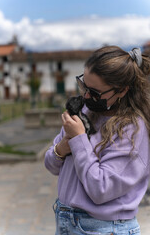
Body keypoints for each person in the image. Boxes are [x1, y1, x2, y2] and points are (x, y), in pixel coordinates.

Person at [44, 45, 150, 235]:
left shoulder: (132, 129)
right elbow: (51, 165)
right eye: (84, 85)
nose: (85, 96)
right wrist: (61, 148)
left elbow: (101, 189)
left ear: (123, 90)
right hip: (66, 219)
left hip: (103, 228)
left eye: (95, 93)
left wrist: (78, 139)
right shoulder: (84, 112)